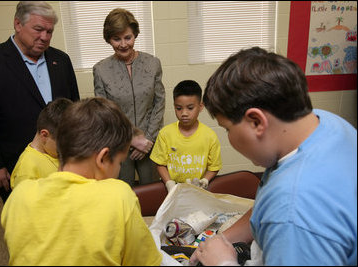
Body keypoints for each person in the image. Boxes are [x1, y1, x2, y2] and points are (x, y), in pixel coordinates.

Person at [189, 47, 357, 265]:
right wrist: (222, 240)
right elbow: (265, 207)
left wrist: (223, 263)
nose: (229, 138)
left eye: (228, 129)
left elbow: (286, 213)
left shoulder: (293, 211)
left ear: (257, 122)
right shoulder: (323, 124)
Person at [1, 97, 163, 266]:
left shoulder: (19, 196)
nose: (119, 169)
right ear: (102, 158)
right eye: (119, 163)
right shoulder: (119, 196)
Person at [0, 1, 80, 202]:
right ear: (18, 24)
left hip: (62, 157)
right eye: (38, 29)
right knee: (26, 217)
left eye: (49, 31)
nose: (44, 37)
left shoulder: (61, 60)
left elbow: (75, 108)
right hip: (15, 162)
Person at [93, 8, 165, 187]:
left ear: (135, 35)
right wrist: (130, 140)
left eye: (128, 37)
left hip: (150, 143)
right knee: (123, 193)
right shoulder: (101, 70)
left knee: (152, 194)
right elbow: (104, 113)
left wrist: (147, 140)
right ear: (109, 39)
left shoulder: (153, 63)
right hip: (119, 145)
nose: (123, 44)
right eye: (116, 39)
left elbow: (159, 103)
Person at [150, 80, 222, 192]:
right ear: (174, 106)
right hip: (174, 189)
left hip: (199, 190)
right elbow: (160, 164)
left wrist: (205, 181)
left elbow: (214, 167)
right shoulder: (165, 134)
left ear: (201, 106)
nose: (184, 113)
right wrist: (169, 183)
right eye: (179, 108)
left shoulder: (210, 136)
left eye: (190, 108)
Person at [10, 98, 73, 189]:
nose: (67, 147)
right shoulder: (26, 170)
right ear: (44, 135)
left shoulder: (54, 153)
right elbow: (26, 202)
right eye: (63, 143)